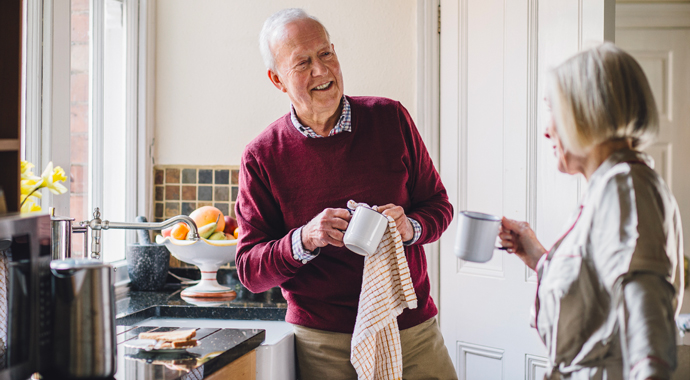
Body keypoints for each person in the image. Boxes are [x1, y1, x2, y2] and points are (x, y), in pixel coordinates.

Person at [234, 8, 458, 380]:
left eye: (326, 54)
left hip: (411, 331)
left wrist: (411, 228)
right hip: (323, 343)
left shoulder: (391, 119)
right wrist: (304, 239)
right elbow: (249, 270)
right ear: (278, 80)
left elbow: (439, 206)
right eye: (302, 63)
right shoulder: (262, 156)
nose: (321, 71)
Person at [499, 42, 684, 380]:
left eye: (552, 110)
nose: (546, 129)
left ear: (586, 111)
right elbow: (597, 297)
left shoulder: (625, 187)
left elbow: (646, 314)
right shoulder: (610, 187)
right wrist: (539, 258)